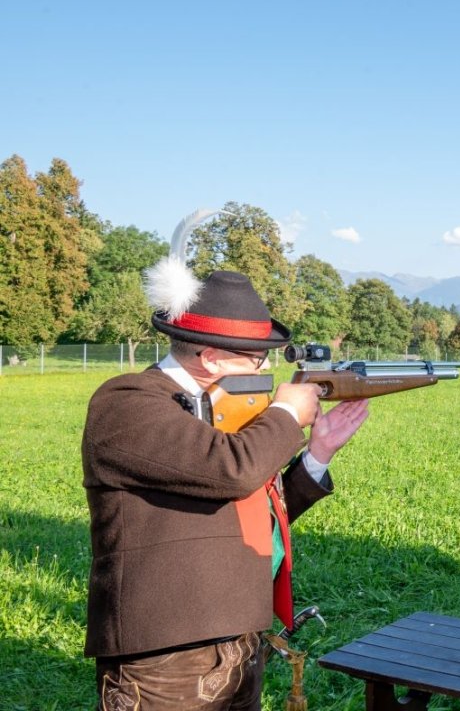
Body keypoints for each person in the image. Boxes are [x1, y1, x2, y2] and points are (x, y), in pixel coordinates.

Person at [82, 263, 369, 711]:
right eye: (256, 357)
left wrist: (319, 453)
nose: (266, 367)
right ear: (212, 358)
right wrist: (286, 415)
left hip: (240, 637)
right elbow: (232, 470)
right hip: (168, 654)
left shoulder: (227, 408)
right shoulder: (127, 402)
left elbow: (251, 507)